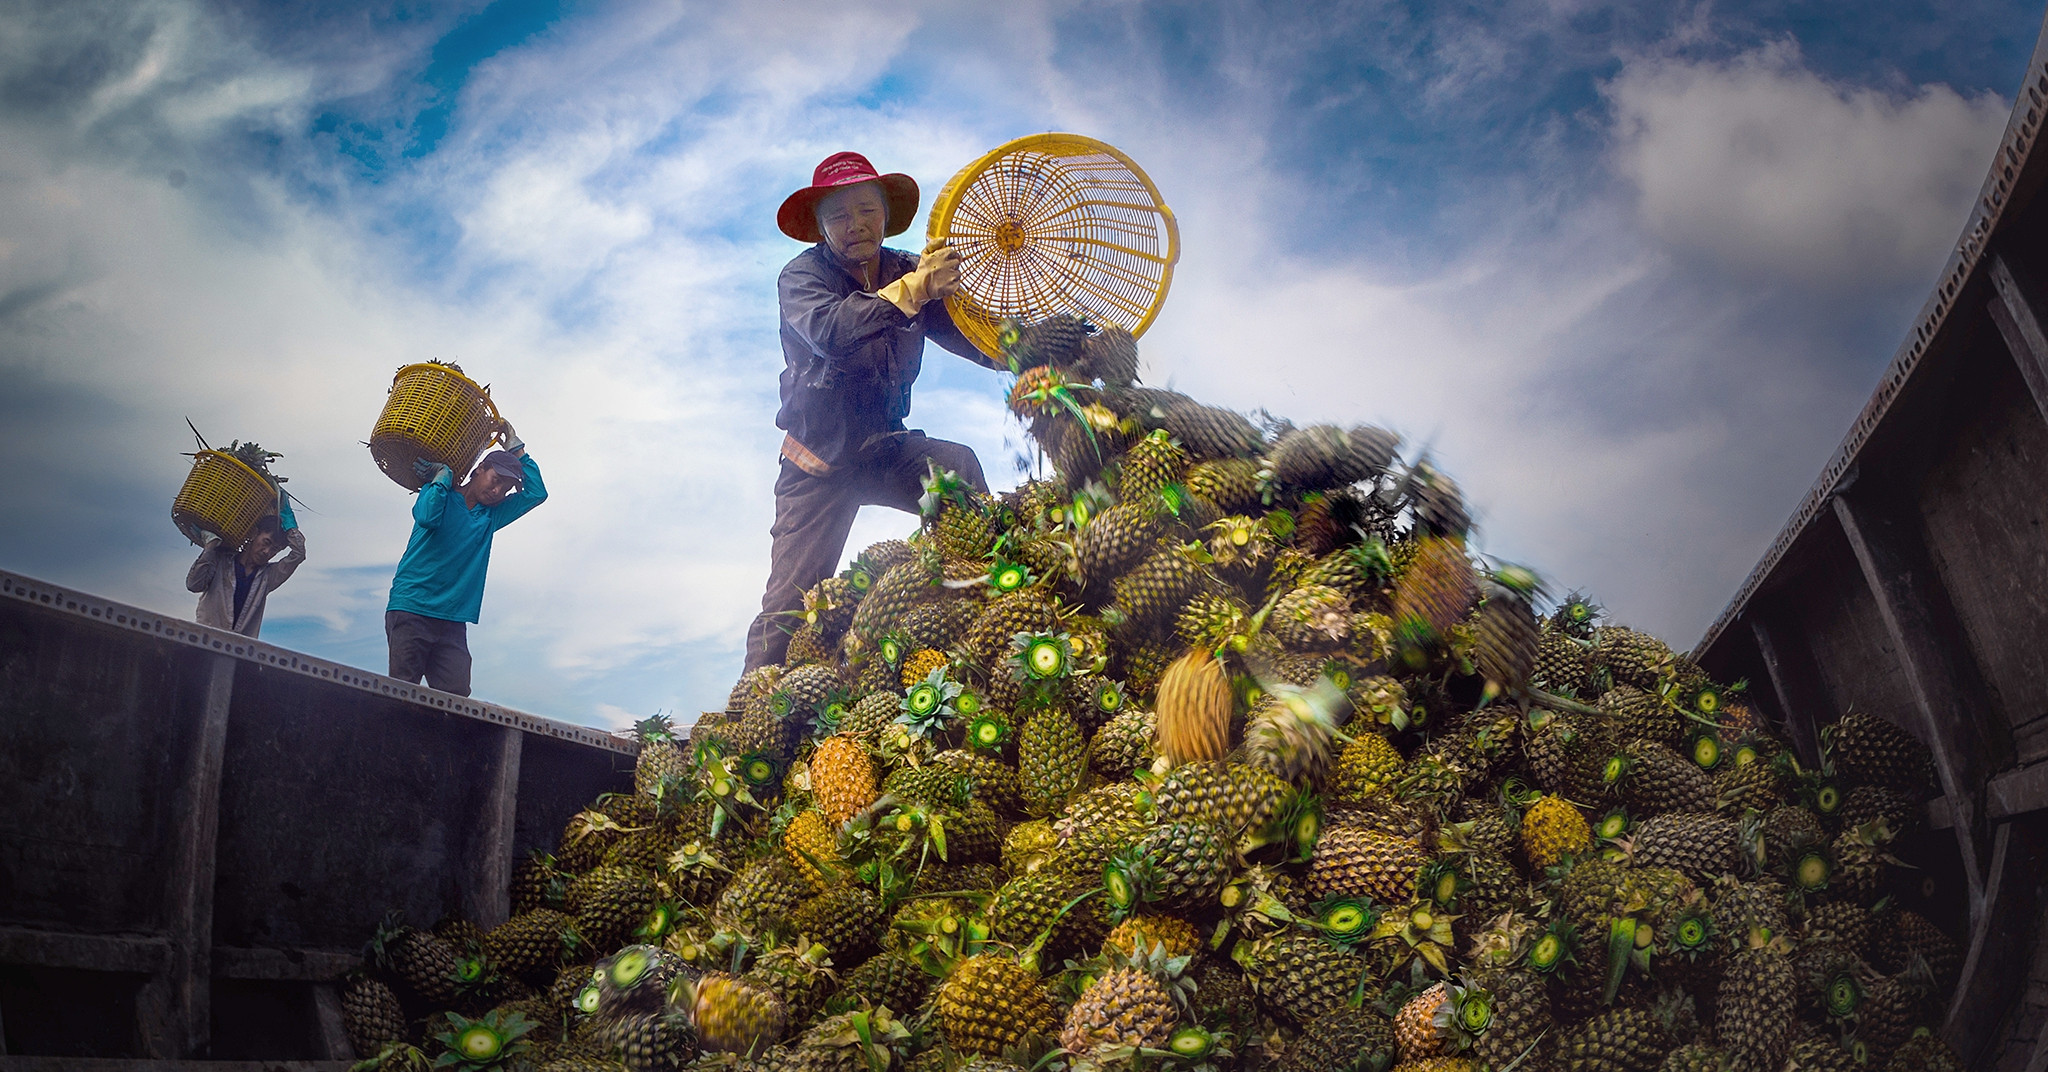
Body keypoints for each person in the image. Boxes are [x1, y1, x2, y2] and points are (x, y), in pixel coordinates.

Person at [744, 151, 1007, 671]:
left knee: (958, 471)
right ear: (819, 227)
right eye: (838, 216)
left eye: (866, 210)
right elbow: (830, 332)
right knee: (787, 609)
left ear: (886, 214)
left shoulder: (912, 269)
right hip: (817, 465)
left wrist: (1042, 352)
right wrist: (914, 289)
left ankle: (979, 620)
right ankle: (743, 722)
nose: (856, 225)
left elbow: (978, 338)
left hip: (885, 449)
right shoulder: (801, 279)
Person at [385, 423, 546, 696]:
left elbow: (536, 493)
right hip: (411, 609)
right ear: (479, 470)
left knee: (457, 697)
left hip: (451, 621)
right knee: (402, 692)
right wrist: (442, 475)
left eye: (505, 489)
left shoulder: (490, 516)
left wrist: (516, 448)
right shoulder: (440, 494)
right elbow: (426, 517)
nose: (498, 492)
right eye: (496, 480)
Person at [186, 495, 306, 637]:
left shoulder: (268, 577)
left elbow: (298, 553)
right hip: (204, 641)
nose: (267, 552)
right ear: (255, 534)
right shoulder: (221, 560)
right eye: (266, 542)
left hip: (238, 652)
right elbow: (194, 585)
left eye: (275, 549)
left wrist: (289, 523)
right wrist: (210, 547)